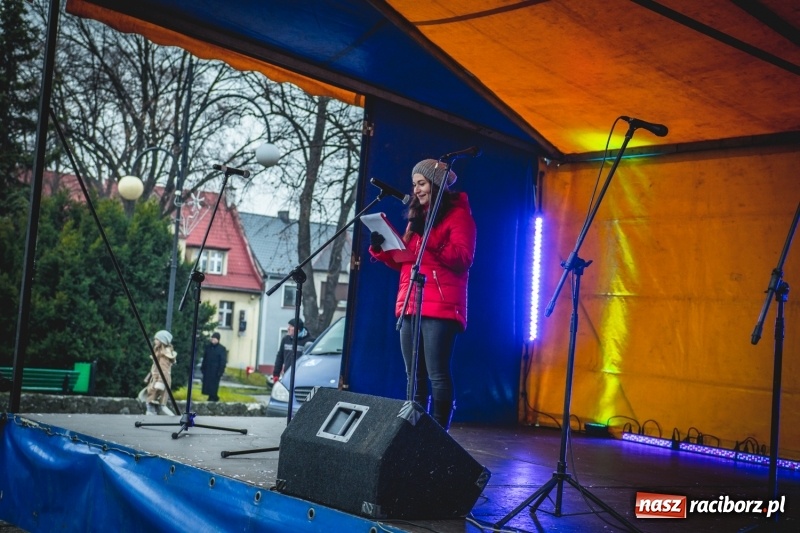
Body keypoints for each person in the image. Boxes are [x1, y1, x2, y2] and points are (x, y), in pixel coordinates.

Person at [369, 158, 476, 430]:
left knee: (437, 374)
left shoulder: (458, 216)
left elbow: (463, 258)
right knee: (413, 374)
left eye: (422, 183)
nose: (416, 190)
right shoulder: (418, 218)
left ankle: (439, 433)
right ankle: (413, 430)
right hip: (410, 302)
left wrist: (429, 242)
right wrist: (382, 249)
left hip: (440, 303)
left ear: (436, 184)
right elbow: (405, 260)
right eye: (414, 184)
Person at [143, 330, 177, 415]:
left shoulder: (164, 355)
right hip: (157, 379)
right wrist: (149, 376)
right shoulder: (159, 352)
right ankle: (153, 414)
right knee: (154, 400)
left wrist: (160, 382)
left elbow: (164, 370)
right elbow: (155, 367)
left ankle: (152, 415)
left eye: (157, 339)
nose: (155, 341)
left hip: (161, 380)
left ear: (163, 341)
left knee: (154, 400)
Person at [272, 318, 314, 385]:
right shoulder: (286, 339)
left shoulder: (310, 341)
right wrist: (276, 374)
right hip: (287, 375)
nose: (288, 328)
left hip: (302, 377)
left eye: (291, 326)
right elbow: (280, 357)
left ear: (297, 329)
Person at [201, 332, 227, 401]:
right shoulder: (208, 347)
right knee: (207, 385)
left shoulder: (221, 349)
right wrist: (203, 368)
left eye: (214, 338)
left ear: (218, 339)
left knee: (214, 386)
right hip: (208, 370)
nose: (213, 339)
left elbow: (223, 361)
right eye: (212, 338)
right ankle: (211, 397)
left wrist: (220, 371)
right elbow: (205, 358)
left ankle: (214, 397)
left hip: (216, 371)